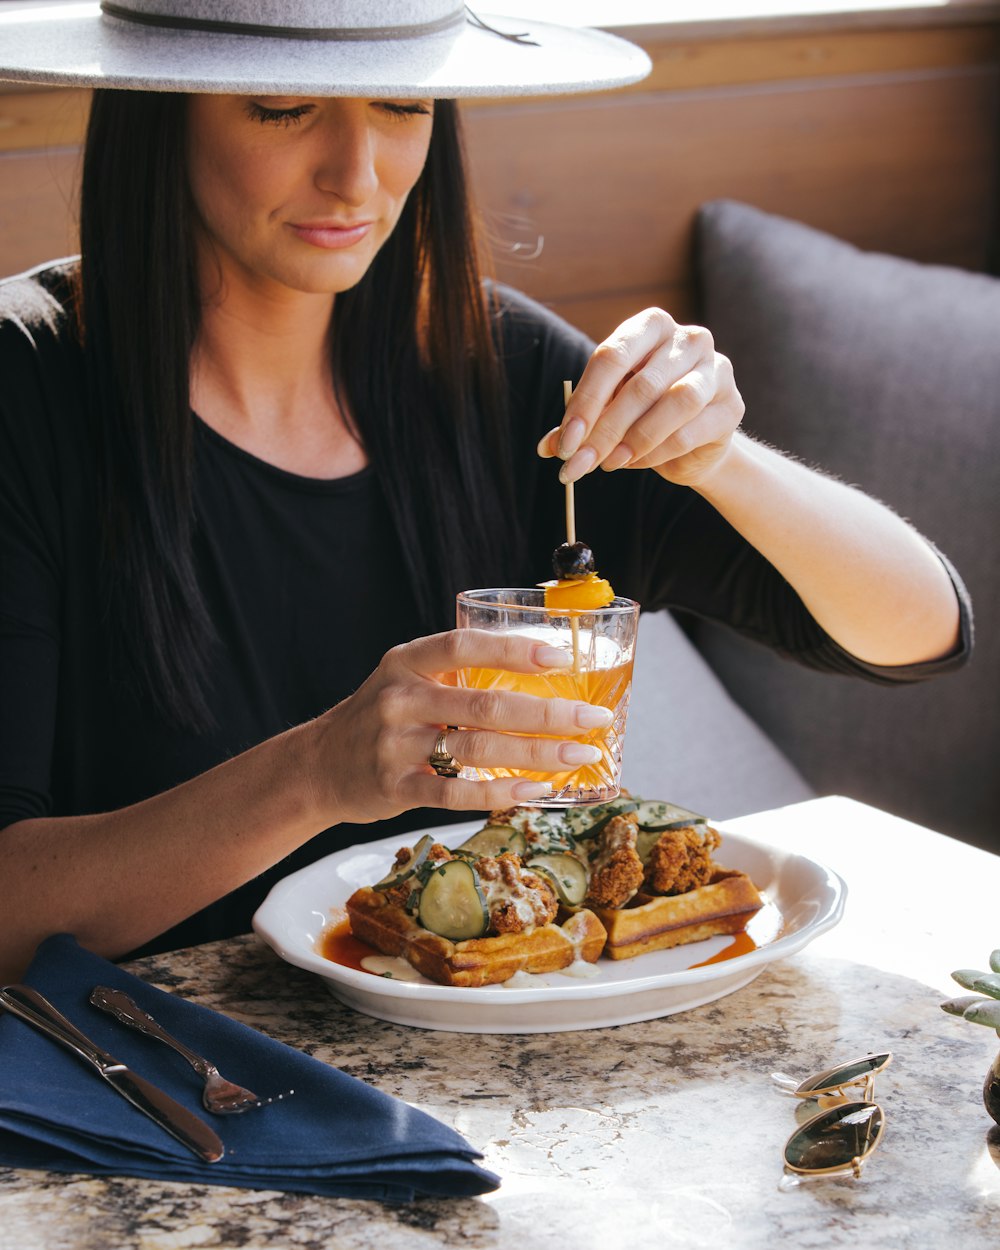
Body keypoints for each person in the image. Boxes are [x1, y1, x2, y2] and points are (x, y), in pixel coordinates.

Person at [0, 2, 970, 982]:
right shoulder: (25, 391)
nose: (357, 173)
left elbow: (918, 630)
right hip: (141, 1079)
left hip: (484, 1086)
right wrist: (314, 774)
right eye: (283, 108)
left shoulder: (496, 374)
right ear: (158, 107)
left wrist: (722, 458)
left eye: (400, 105)